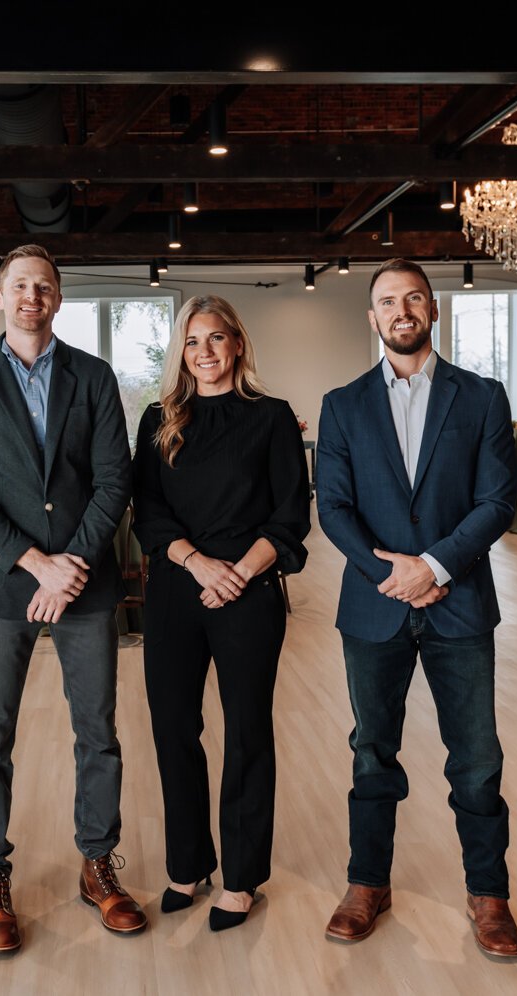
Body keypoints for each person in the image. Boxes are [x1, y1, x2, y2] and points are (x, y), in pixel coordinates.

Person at [314, 259, 517, 958]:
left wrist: (433, 567)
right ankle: (367, 883)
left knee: (476, 759)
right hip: (373, 607)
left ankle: (489, 896)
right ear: (371, 319)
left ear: (433, 311)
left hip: (459, 603)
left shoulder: (484, 397)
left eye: (413, 299)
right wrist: (392, 572)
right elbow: (334, 507)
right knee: (372, 752)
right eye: (386, 302)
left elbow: (497, 501)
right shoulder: (342, 404)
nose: (400, 310)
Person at [0, 244, 143, 952]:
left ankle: (97, 865)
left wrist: (73, 564)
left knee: (99, 733)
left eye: (45, 285)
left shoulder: (93, 375)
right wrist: (35, 565)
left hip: (85, 586)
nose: (32, 295)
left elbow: (114, 479)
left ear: (58, 298)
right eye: (19, 285)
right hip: (4, 587)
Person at [131, 295, 310, 932]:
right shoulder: (160, 418)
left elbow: (291, 516)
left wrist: (237, 572)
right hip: (179, 591)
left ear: (236, 344)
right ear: (182, 351)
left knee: (246, 733)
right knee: (174, 729)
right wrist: (200, 565)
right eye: (192, 342)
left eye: (215, 339)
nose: (204, 353)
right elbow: (147, 513)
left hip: (250, 591)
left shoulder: (273, 417)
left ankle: (241, 878)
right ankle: (188, 865)